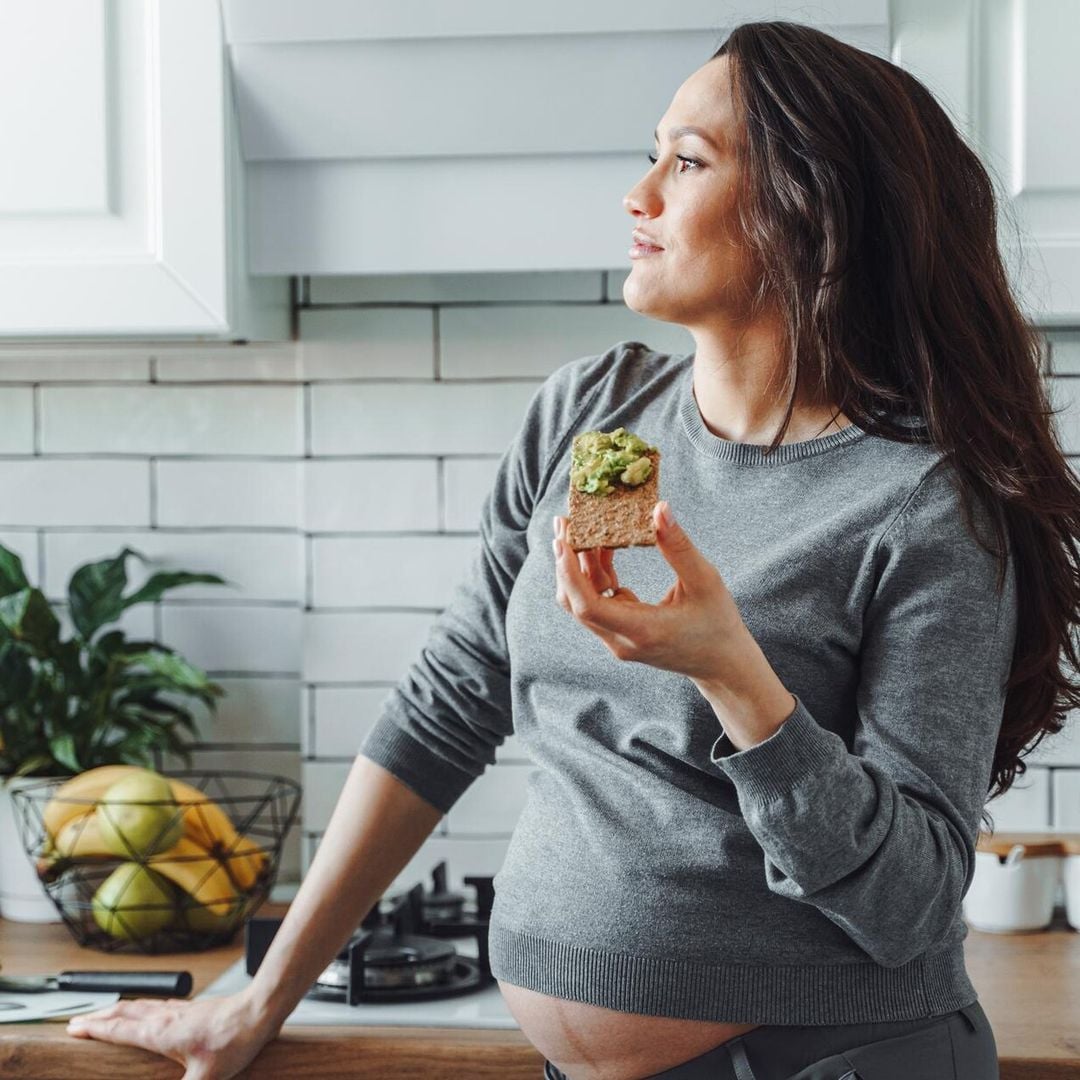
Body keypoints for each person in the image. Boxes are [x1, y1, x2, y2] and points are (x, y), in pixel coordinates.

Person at [64, 20, 1080, 1080]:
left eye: (686, 162)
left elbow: (911, 903)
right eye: (651, 154)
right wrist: (259, 997)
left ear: (811, 213)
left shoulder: (922, 506)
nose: (638, 197)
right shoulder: (597, 419)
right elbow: (450, 702)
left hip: (833, 1061)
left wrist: (735, 674)